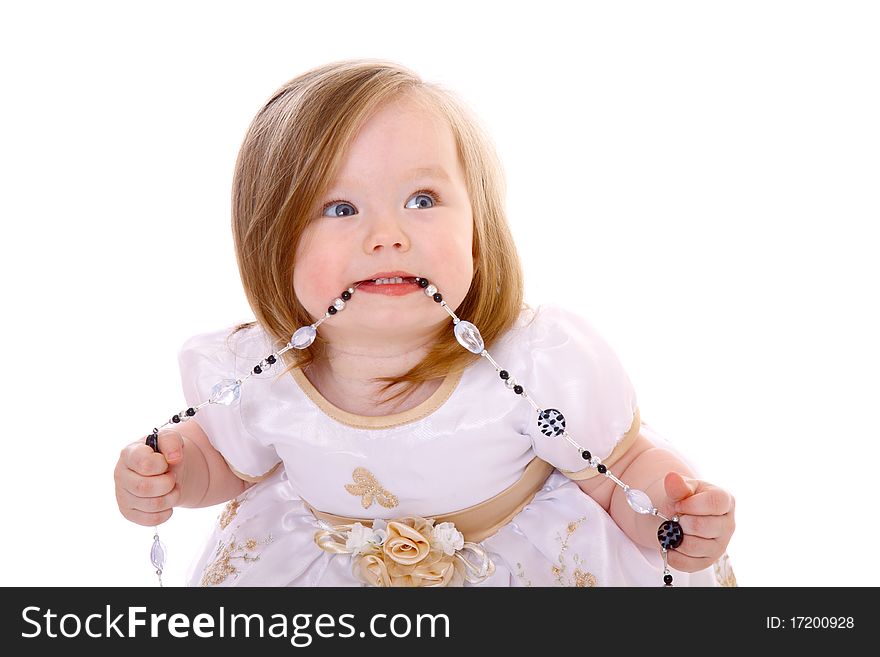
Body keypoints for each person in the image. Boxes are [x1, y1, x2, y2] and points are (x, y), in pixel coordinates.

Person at [114, 58, 736, 587]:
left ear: (477, 226)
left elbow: (619, 472)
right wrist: (173, 475)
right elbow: (226, 463)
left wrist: (668, 516)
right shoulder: (261, 371)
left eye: (422, 201)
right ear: (272, 242)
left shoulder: (531, 363)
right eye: (340, 207)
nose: (388, 236)